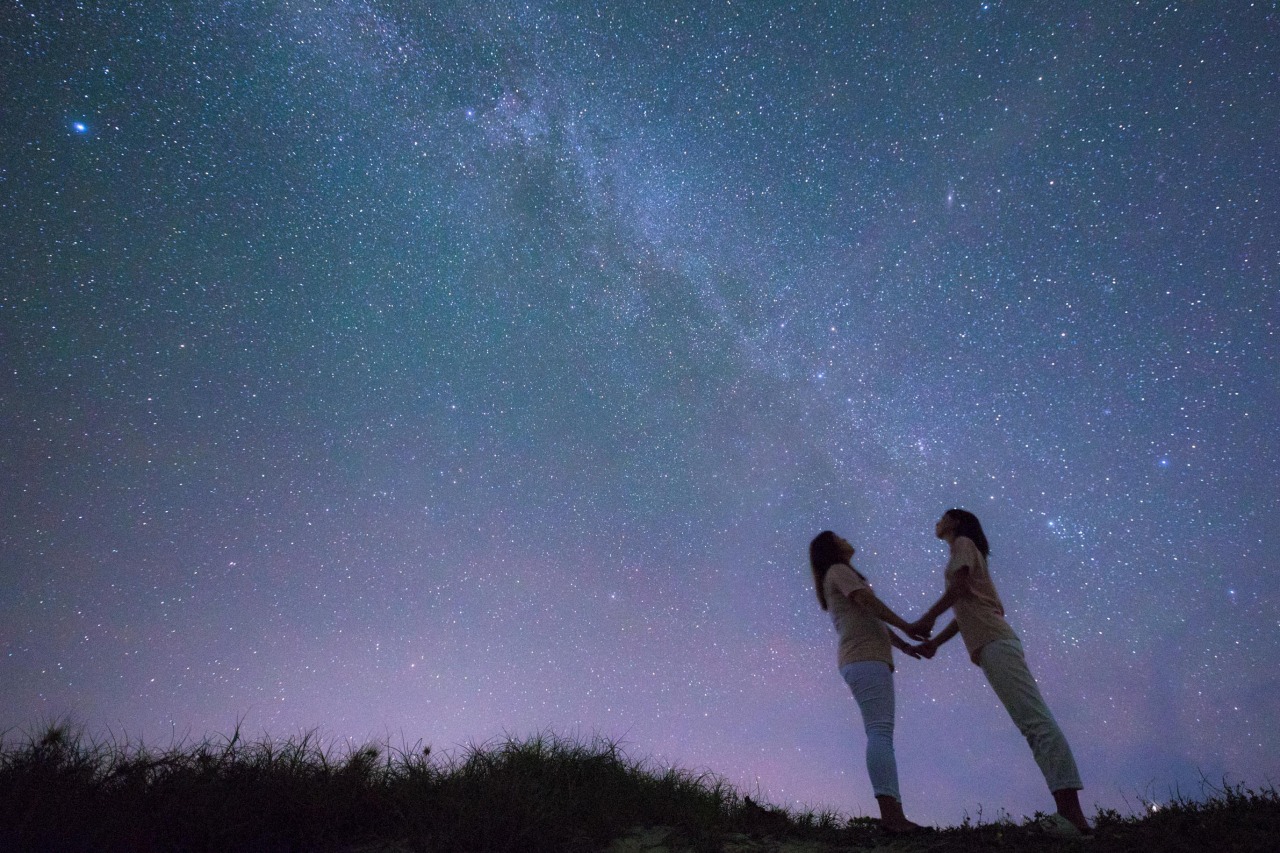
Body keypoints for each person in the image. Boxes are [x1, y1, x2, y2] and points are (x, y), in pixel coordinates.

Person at [907, 509, 1091, 836]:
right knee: (1030, 722)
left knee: (1034, 721)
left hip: (995, 641)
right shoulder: (964, 548)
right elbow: (967, 607)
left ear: (957, 523)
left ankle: (1072, 819)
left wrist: (927, 617)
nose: (936, 520)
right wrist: (936, 643)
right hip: (991, 643)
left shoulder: (962, 543)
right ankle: (1070, 816)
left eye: (942, 516)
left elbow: (960, 589)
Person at [809, 530, 929, 835]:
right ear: (831, 548)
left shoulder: (838, 573)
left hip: (863, 659)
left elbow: (870, 616)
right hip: (863, 659)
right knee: (879, 731)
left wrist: (903, 645)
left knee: (879, 731)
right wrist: (908, 625)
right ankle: (892, 816)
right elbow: (867, 601)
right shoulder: (839, 571)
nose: (847, 538)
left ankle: (892, 813)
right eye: (839, 537)